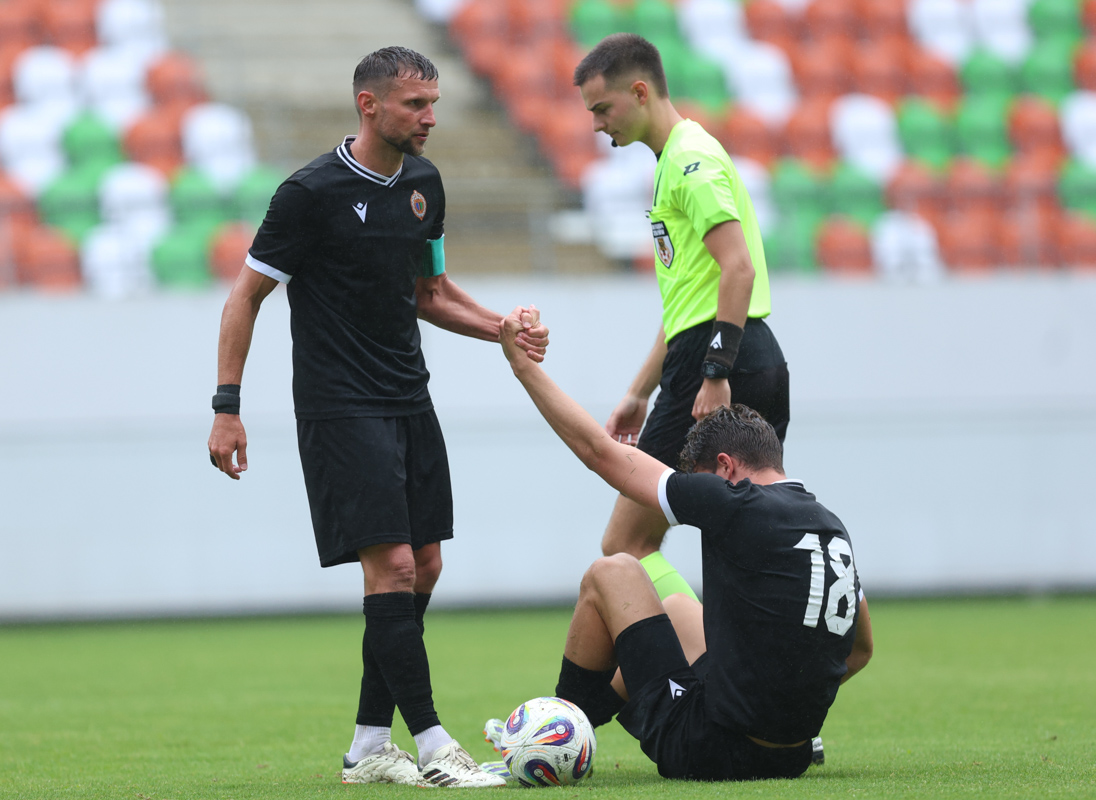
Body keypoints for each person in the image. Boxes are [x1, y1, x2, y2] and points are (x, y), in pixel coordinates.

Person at [206, 47, 548, 788]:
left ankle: (367, 745)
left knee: (424, 566)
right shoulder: (310, 192)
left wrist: (502, 329)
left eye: (434, 104)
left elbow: (432, 293)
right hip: (339, 406)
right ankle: (434, 747)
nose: (430, 118)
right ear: (369, 105)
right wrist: (227, 407)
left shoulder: (424, 184)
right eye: (415, 105)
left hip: (408, 398)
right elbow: (244, 297)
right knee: (391, 566)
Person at [484, 308, 872, 781]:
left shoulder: (735, 502)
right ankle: (565, 728)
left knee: (613, 571)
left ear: (725, 466)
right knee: (676, 608)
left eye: (701, 478)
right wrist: (784, 706)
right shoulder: (832, 527)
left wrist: (523, 367)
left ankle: (551, 738)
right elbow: (860, 649)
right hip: (789, 755)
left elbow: (599, 452)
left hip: (711, 748)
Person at [574, 33, 791, 604]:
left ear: (639, 92)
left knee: (625, 545)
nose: (597, 124)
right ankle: (753, 649)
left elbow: (738, 269)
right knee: (746, 539)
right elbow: (686, 306)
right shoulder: (676, 159)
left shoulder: (691, 162)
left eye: (602, 108)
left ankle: (695, 648)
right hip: (734, 354)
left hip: (718, 362)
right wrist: (638, 392)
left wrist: (715, 373)